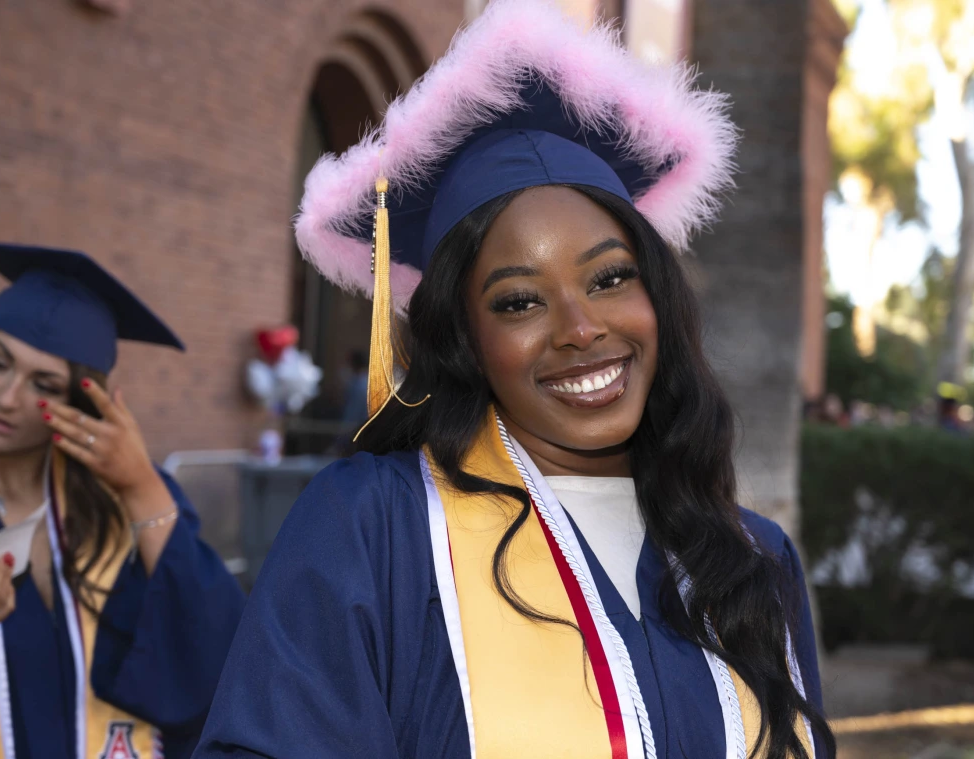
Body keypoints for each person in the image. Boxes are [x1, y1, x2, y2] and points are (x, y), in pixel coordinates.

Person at [196, 3, 834, 758]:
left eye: (609, 277)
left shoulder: (750, 559)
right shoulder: (375, 530)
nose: (579, 326)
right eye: (519, 299)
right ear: (464, 337)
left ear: (656, 295)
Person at [0, 238, 245, 759]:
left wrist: (141, 489)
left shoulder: (117, 504)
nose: (6, 398)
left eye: (43, 382)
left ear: (79, 400)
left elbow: (216, 652)